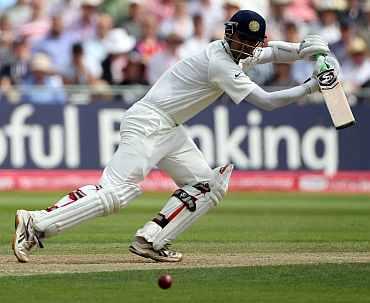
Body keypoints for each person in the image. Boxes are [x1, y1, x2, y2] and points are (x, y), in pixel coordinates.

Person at [12, 10, 334, 263]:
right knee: (116, 193)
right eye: (241, 42)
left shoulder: (240, 52)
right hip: (149, 122)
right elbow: (265, 101)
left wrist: (304, 49)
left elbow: (273, 52)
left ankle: (150, 240)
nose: (246, 48)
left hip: (169, 129)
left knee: (207, 184)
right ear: (229, 35)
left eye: (251, 44)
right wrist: (309, 87)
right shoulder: (220, 61)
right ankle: (36, 222)